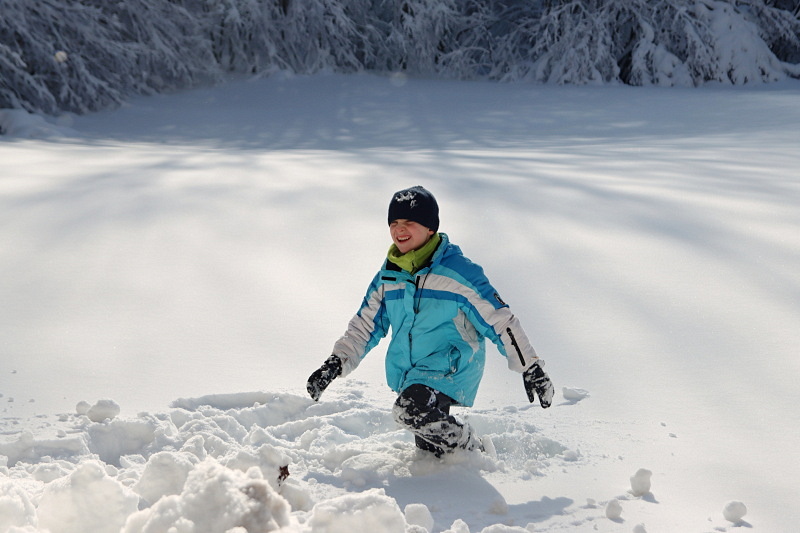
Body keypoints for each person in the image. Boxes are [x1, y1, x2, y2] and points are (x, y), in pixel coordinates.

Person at [307, 185, 554, 457]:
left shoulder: (458, 273)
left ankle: (474, 450)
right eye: (394, 223)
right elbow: (364, 326)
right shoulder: (390, 276)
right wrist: (336, 362)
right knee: (432, 451)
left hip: (450, 366)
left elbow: (499, 319)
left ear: (430, 228)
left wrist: (530, 366)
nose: (400, 229)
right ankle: (462, 468)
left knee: (408, 411)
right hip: (412, 372)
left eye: (409, 222)